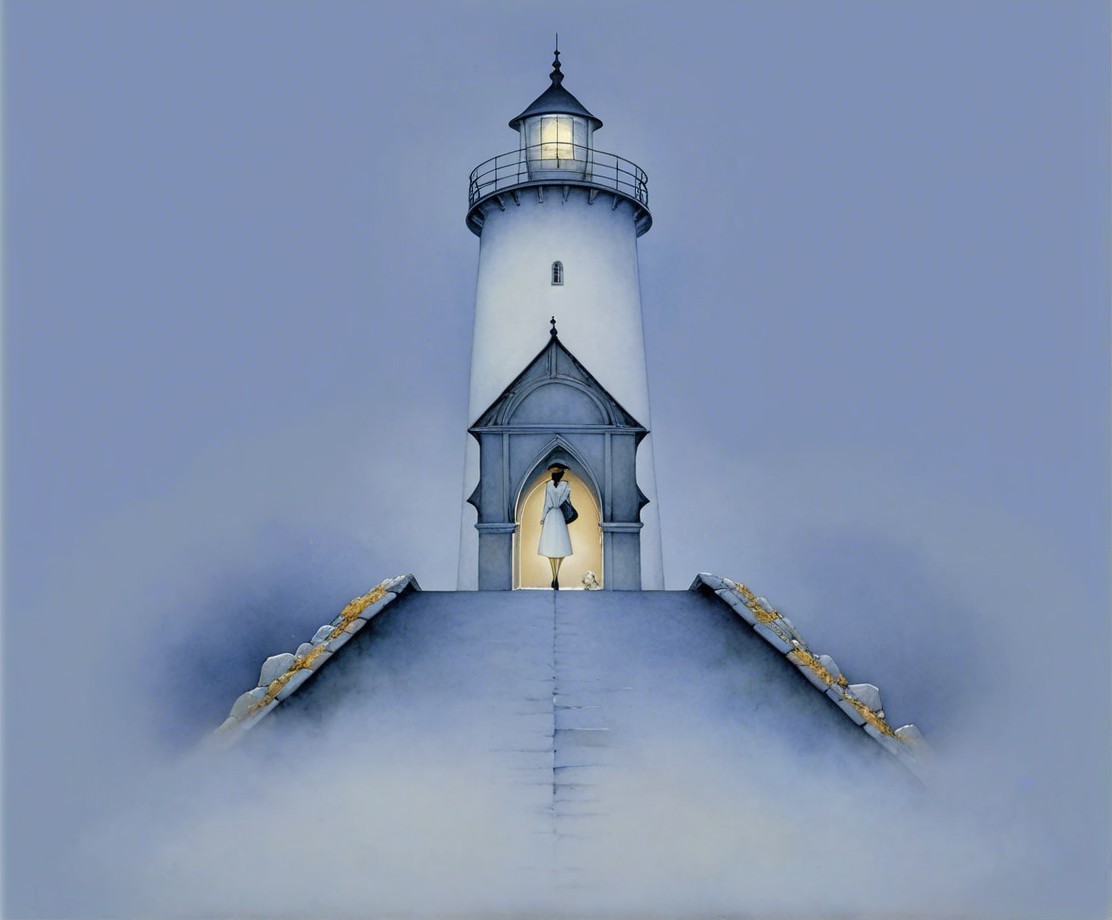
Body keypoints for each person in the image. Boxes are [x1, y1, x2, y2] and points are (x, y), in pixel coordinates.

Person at [538, 463, 573, 589]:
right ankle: (556, 576)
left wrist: (542, 518)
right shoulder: (566, 485)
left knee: (551, 549)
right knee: (561, 547)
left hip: (550, 516)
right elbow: (568, 502)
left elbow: (546, 503)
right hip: (560, 516)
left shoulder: (548, 486)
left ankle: (554, 577)